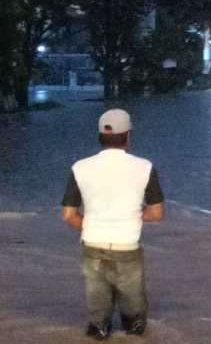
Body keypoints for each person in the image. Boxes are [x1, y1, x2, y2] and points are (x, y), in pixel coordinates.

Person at [61, 109, 165, 340]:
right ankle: (131, 328)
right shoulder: (145, 167)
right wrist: (138, 217)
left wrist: (91, 227)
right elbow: (156, 213)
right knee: (135, 320)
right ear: (128, 136)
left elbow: (68, 214)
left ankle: (100, 328)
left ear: (100, 136)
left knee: (98, 318)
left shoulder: (80, 167)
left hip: (92, 243)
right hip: (127, 245)